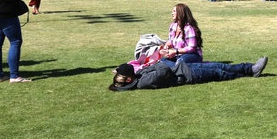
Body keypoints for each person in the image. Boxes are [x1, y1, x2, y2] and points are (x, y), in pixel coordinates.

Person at [108, 56, 268, 91]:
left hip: (182, 67)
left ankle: (249, 68)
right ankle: (250, 71)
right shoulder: (143, 82)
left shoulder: (139, 76)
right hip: (188, 74)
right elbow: (162, 69)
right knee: (219, 72)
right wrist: (161, 62)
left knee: (218, 65)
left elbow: (158, 66)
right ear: (129, 78)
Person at [158, 3, 205, 69]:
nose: (172, 13)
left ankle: (175, 66)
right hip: (178, 56)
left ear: (181, 13)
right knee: (161, 61)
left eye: (174, 11)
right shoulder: (173, 26)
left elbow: (192, 48)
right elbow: (170, 41)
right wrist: (166, 46)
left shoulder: (189, 28)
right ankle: (175, 67)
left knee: (180, 62)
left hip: (192, 55)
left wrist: (175, 51)